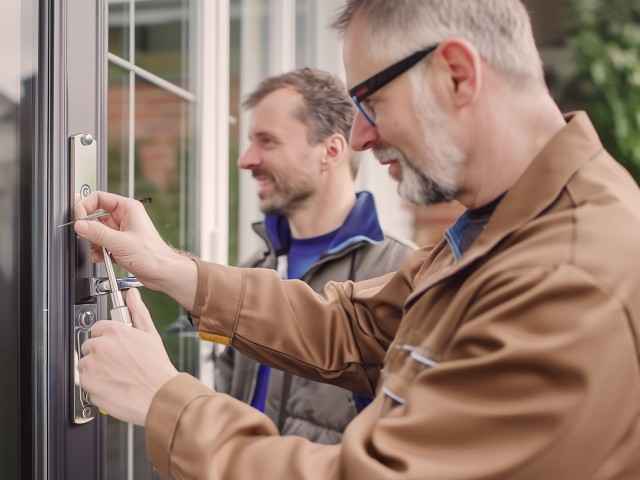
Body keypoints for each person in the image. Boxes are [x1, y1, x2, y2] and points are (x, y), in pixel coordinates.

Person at [76, 1, 640, 478]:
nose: (361, 137)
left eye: (370, 100)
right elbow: (354, 327)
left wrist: (163, 401)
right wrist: (170, 268)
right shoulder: (499, 226)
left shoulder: (569, 277)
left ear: (457, 75)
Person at [216, 68, 412, 443]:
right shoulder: (252, 271)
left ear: (331, 151)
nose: (246, 159)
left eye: (267, 142)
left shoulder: (399, 275)